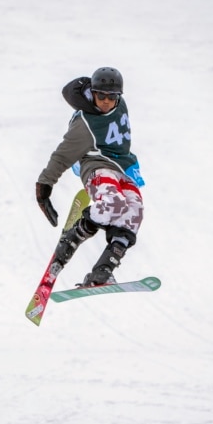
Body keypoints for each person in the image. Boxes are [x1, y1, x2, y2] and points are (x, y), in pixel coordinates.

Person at [35, 67, 145, 287]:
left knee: (134, 210)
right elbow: (61, 157)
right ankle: (77, 232)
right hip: (96, 167)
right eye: (100, 95)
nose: (105, 101)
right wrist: (44, 187)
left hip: (123, 166)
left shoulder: (119, 104)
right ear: (92, 93)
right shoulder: (84, 124)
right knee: (113, 203)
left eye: (112, 96)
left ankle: (103, 270)